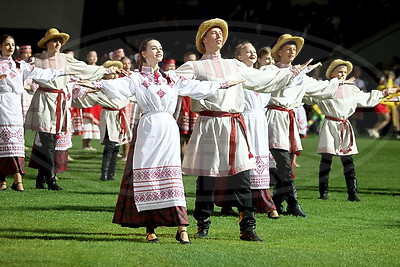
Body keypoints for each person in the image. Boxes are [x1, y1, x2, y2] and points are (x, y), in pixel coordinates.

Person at [80, 38, 240, 244]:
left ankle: (182, 227)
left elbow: (196, 86)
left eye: (160, 48)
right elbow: (116, 86)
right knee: (149, 176)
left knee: (172, 177)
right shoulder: (136, 78)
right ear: (143, 54)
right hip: (149, 129)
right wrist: (95, 84)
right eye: (153, 48)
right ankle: (150, 227)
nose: (158, 51)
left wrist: (223, 84)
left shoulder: (171, 78)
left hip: (168, 129)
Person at [175, 19, 311, 241]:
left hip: (233, 123)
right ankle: (203, 223)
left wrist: (291, 73)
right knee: (206, 178)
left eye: (221, 33)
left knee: (243, 176)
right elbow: (176, 84)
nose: (219, 36)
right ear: (203, 39)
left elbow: (262, 80)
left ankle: (247, 227)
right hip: (209, 123)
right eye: (214, 33)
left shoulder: (233, 65)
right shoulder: (195, 66)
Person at [267, 34, 350, 217]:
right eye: (288, 48)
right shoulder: (271, 71)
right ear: (279, 52)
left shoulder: (301, 77)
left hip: (288, 119)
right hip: (273, 118)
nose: (292, 51)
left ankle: (277, 203)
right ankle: (292, 202)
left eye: (294, 49)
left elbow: (320, 88)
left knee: (285, 162)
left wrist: (337, 82)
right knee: (283, 163)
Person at [25, 28, 116, 190]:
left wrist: (104, 70)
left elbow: (84, 69)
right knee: (47, 140)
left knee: (50, 139)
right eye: (54, 40)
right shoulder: (37, 59)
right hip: (45, 99)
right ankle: (51, 178)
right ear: (47, 43)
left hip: (59, 100)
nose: (58, 43)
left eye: (60, 41)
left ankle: (41, 179)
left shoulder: (66, 59)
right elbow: (22, 70)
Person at [308, 59, 399, 201]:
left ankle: (352, 193)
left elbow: (367, 98)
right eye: (339, 72)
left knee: (348, 161)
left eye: (344, 72)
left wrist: (386, 92)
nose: (343, 74)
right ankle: (323, 192)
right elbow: (308, 95)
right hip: (330, 125)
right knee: (326, 160)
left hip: (344, 125)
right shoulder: (324, 87)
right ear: (332, 73)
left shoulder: (352, 89)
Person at [214, 41, 280, 219]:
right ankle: (235, 203)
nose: (252, 54)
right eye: (247, 52)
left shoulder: (260, 75)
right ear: (239, 57)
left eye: (253, 51)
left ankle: (259, 202)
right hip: (244, 120)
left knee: (259, 162)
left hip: (260, 121)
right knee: (240, 162)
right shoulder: (236, 74)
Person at [0, 34, 66, 191]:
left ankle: (18, 180)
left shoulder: (20, 65)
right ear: (0, 47)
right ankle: (3, 180)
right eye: (6, 44)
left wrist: (61, 72)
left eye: (12, 44)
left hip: (15, 106)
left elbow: (39, 73)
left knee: (14, 144)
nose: (9, 47)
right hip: (1, 103)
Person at [367, 70, 400, 139]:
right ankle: (374, 130)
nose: (393, 77)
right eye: (392, 75)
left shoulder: (387, 82)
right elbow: (387, 88)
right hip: (381, 103)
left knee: (382, 119)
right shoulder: (386, 82)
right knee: (386, 119)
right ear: (390, 76)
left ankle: (373, 131)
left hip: (380, 103)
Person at [81, 51, 102, 151]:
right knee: (87, 120)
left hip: (96, 95)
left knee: (94, 121)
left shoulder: (100, 69)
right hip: (87, 94)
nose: (93, 58)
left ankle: (88, 144)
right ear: (87, 57)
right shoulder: (84, 68)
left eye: (95, 56)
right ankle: (85, 144)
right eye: (91, 56)